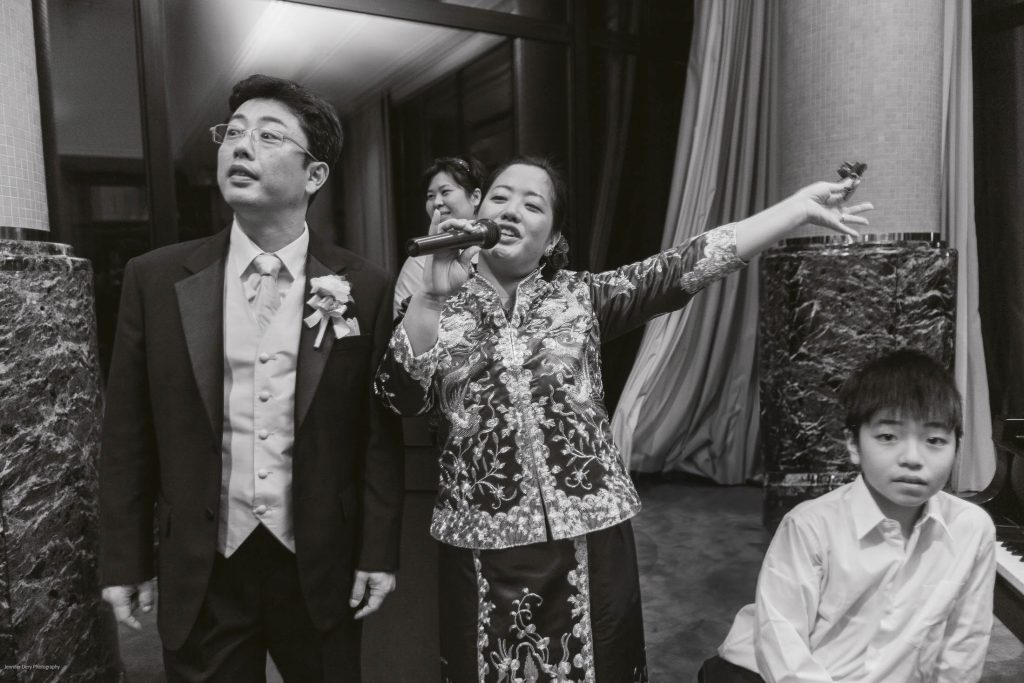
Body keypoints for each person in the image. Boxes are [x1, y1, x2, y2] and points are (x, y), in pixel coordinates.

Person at [373, 155, 873, 681]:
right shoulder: (434, 306)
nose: (512, 210)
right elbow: (398, 398)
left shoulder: (581, 298)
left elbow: (688, 264)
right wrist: (429, 300)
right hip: (481, 550)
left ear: (554, 237)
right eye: (500, 197)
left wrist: (793, 211)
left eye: (532, 203)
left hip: (590, 542)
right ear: (478, 214)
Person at [98, 74, 404, 681]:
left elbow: (377, 435)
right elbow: (127, 432)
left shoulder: (364, 287)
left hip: (320, 565)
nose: (241, 147)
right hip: (203, 565)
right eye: (233, 134)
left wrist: (378, 552)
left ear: (314, 176)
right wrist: (125, 560)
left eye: (268, 137)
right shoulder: (154, 280)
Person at [703, 349, 997, 683]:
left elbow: (965, 643)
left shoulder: (972, 528)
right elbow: (782, 646)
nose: (913, 458)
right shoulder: (810, 526)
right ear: (854, 444)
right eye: (888, 437)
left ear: (957, 446)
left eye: (934, 440)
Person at [393, 156, 486, 317]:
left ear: (475, 197)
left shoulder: (500, 248)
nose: (437, 202)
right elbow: (403, 330)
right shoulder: (420, 260)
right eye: (430, 196)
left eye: (445, 192)